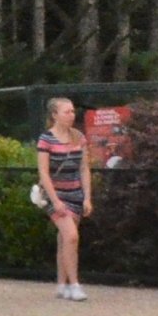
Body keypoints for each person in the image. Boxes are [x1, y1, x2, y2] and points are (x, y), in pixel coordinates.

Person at [37, 93, 94, 301]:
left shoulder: (79, 137)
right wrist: (55, 201)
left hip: (75, 193)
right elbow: (43, 172)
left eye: (72, 111)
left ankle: (62, 284)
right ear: (55, 115)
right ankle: (74, 284)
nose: (71, 115)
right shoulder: (46, 139)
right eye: (67, 111)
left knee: (65, 240)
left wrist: (87, 197)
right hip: (56, 194)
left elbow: (84, 168)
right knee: (71, 236)